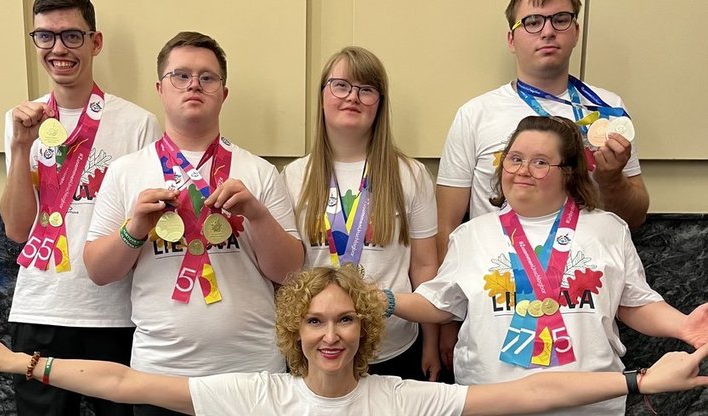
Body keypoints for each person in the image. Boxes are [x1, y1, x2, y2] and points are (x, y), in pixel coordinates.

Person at [0, 266, 707, 416]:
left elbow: (533, 391)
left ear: (366, 329)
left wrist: (641, 381)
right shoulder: (256, 394)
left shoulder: (401, 398)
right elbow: (124, 382)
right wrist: (21, 361)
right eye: (315, 321)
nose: (331, 334)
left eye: (345, 319)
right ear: (295, 331)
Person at [390, 115, 708, 415]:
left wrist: (683, 325)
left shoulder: (608, 229)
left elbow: (634, 303)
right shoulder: (472, 235)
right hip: (492, 401)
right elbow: (438, 303)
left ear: (569, 172)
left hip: (591, 403)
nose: (523, 170)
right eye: (514, 159)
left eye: (540, 162)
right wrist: (385, 301)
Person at [81, 31, 304, 416]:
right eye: (181, 76)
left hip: (251, 373)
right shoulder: (125, 172)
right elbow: (99, 271)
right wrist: (134, 229)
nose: (194, 85)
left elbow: (291, 273)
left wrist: (257, 215)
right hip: (159, 375)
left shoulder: (259, 172)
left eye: (207, 77)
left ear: (224, 93)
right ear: (160, 88)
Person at [435, 0, 650, 375]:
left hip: (581, 313)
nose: (547, 31)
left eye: (560, 19)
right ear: (511, 38)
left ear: (576, 31)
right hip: (497, 310)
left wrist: (611, 178)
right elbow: (447, 223)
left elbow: (634, 216)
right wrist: (447, 320)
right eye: (532, 22)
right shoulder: (475, 115)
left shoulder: (608, 111)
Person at [0, 0, 161, 414]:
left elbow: (145, 227)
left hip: (113, 313)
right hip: (40, 308)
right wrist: (21, 147)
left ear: (95, 42)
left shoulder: (138, 124)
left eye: (71, 36)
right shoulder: (19, 120)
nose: (58, 48)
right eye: (45, 36)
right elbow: (17, 230)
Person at [281, 46, 440, 381]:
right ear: (322, 95)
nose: (352, 97)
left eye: (366, 89)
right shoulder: (293, 177)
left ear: (379, 103)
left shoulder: (410, 175)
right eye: (341, 86)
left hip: (394, 347)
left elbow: (425, 266)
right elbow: (285, 272)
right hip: (320, 349)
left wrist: (431, 341)